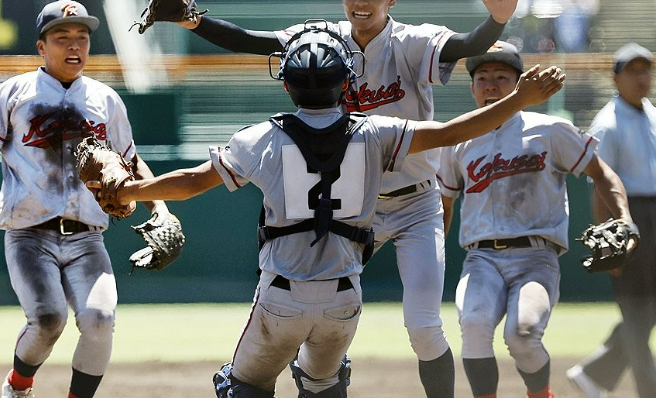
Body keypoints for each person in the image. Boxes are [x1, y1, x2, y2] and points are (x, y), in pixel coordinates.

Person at [86, 25, 563, 398]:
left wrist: (132, 190)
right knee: (323, 384)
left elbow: (191, 180)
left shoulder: (261, 137)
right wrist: (519, 98)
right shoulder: (377, 133)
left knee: (243, 386)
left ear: (288, 85)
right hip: (343, 299)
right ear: (345, 82)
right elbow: (451, 132)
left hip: (280, 295)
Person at [173, 0, 521, 397]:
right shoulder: (324, 38)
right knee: (312, 300)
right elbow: (251, 42)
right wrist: (193, 22)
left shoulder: (412, 42)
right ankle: (314, 375)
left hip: (417, 203)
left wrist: (495, 23)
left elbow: (468, 45)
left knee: (424, 325)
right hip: (357, 209)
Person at [0, 0, 176, 398]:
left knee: (99, 319)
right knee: (47, 320)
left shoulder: (105, 99)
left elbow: (131, 161)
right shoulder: (12, 93)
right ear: (41, 47)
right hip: (29, 234)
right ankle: (18, 386)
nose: (75, 45)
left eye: (82, 37)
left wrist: (160, 209)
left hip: (87, 238)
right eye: (62, 38)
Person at [436, 41, 633, 398]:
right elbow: (444, 204)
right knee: (475, 323)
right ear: (472, 88)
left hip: (536, 258)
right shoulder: (458, 138)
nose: (491, 85)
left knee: (523, 333)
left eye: (501, 76)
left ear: (520, 84)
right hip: (481, 259)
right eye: (482, 78)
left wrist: (624, 218)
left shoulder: (550, 130)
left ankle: (540, 394)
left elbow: (601, 172)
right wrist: (430, 259)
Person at [566, 42, 656, 398]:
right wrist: (610, 240)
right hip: (628, 215)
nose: (641, 77)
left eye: (646, 69)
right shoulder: (607, 122)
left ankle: (592, 374)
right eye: (632, 71)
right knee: (636, 311)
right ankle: (652, 392)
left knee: (650, 312)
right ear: (615, 78)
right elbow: (600, 186)